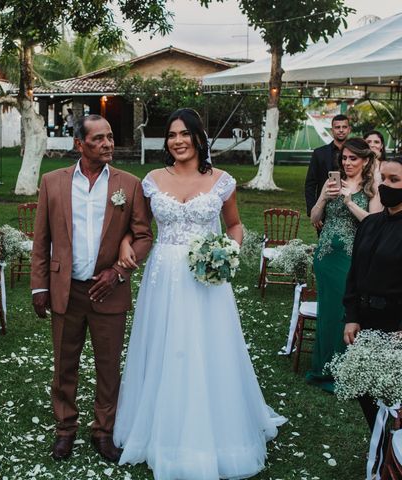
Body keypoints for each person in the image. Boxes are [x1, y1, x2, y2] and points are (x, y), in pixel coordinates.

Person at [112, 108, 286, 480]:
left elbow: (236, 225)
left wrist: (229, 252)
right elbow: (138, 228)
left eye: (184, 134)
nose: (177, 141)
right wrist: (126, 242)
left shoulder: (222, 180)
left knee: (209, 348)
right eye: (171, 135)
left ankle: (217, 430)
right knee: (164, 346)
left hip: (207, 279)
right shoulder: (152, 180)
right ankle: (160, 427)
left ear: (197, 137)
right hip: (163, 277)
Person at [31, 114, 153, 462]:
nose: (107, 144)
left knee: (108, 367)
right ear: (79, 144)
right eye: (98, 139)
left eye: (110, 137)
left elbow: (144, 236)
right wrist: (39, 288)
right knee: (64, 366)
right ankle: (65, 430)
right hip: (65, 290)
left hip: (109, 290)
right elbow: (41, 241)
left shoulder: (128, 185)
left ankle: (103, 432)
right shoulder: (52, 182)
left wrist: (117, 272)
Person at [306, 137, 381, 392]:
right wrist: (324, 199)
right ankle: (323, 368)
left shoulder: (372, 188)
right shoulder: (332, 183)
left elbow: (374, 224)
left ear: (366, 160)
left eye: (353, 158)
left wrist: (349, 202)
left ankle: (345, 369)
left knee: (345, 312)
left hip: (352, 257)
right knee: (327, 312)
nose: (347, 162)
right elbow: (314, 218)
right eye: (344, 158)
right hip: (326, 254)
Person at [344, 155, 402, 431]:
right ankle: (379, 444)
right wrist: (351, 315)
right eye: (384, 179)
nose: (386, 186)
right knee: (365, 389)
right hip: (364, 319)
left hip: (394, 324)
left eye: (395, 180)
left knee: (392, 395)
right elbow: (354, 273)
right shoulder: (370, 224)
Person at [305, 114, 351, 217]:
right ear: (332, 130)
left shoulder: (356, 153)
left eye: (344, 127)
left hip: (350, 206)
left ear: (349, 130)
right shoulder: (319, 153)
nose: (341, 130)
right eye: (337, 127)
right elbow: (310, 184)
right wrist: (313, 211)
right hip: (324, 208)